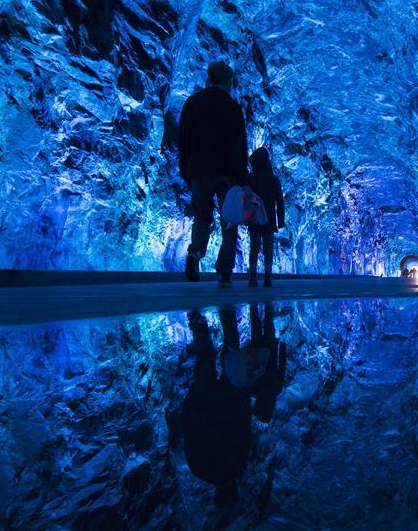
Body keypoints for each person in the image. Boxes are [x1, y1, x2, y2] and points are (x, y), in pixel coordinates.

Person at [177, 61, 248, 286]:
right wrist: (241, 179)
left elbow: (183, 139)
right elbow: (239, 145)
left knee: (201, 216)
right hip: (226, 173)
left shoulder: (192, 103)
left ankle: (194, 253)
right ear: (228, 81)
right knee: (229, 220)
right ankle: (225, 269)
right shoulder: (232, 107)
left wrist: (186, 170)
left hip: (199, 170)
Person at [181, 308, 252, 506]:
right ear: (216, 494)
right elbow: (189, 434)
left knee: (231, 351)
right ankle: (197, 320)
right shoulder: (200, 470)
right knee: (204, 357)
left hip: (229, 399)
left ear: (235, 490)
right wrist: (189, 405)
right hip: (204, 401)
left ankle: (227, 314)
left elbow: (244, 427)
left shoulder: (240, 463)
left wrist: (243, 397)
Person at [247, 147, 285, 287]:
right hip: (269, 220)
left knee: (254, 248)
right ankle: (268, 277)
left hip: (254, 218)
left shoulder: (250, 178)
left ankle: (252, 277)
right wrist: (281, 219)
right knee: (268, 249)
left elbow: (244, 197)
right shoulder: (274, 179)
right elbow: (280, 200)